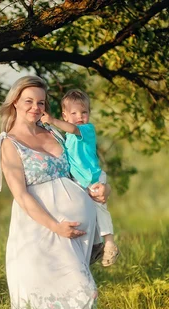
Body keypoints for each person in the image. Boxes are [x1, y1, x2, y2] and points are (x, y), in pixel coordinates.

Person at [0, 76, 108, 309]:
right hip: (39, 232)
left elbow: (87, 167)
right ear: (15, 103)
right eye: (29, 101)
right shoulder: (10, 143)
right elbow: (21, 196)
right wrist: (55, 226)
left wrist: (104, 188)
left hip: (74, 233)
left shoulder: (55, 131)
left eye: (41, 102)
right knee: (76, 291)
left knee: (83, 291)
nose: (35, 107)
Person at [40, 89, 120, 266]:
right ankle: (95, 245)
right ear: (65, 115)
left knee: (100, 209)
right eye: (74, 113)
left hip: (93, 178)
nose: (80, 116)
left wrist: (52, 121)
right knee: (87, 212)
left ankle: (110, 243)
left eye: (84, 112)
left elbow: (73, 128)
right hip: (80, 181)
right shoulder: (67, 137)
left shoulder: (86, 130)